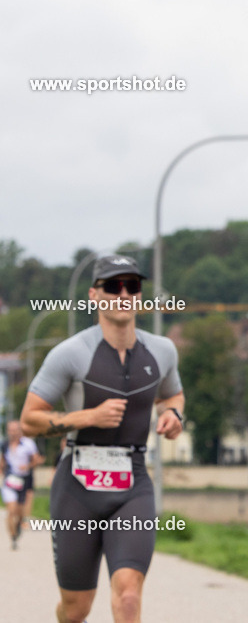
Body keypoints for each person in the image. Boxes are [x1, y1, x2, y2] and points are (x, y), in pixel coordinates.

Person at [20, 254, 185, 623]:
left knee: (128, 595)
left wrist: (173, 414)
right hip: (77, 487)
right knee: (76, 608)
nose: (124, 294)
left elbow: (172, 395)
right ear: (95, 295)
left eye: (133, 286)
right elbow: (29, 419)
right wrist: (88, 417)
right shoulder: (70, 353)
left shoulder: (162, 350)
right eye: (113, 286)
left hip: (133, 483)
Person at [2, 420, 45, 550]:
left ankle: (19, 525)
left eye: (15, 430)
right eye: (10, 430)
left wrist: (27, 466)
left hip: (24, 480)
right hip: (9, 480)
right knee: (11, 510)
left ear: (19, 430)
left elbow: (37, 459)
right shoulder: (4, 444)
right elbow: (2, 461)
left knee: (20, 512)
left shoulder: (28, 444)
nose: (13, 433)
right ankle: (13, 537)